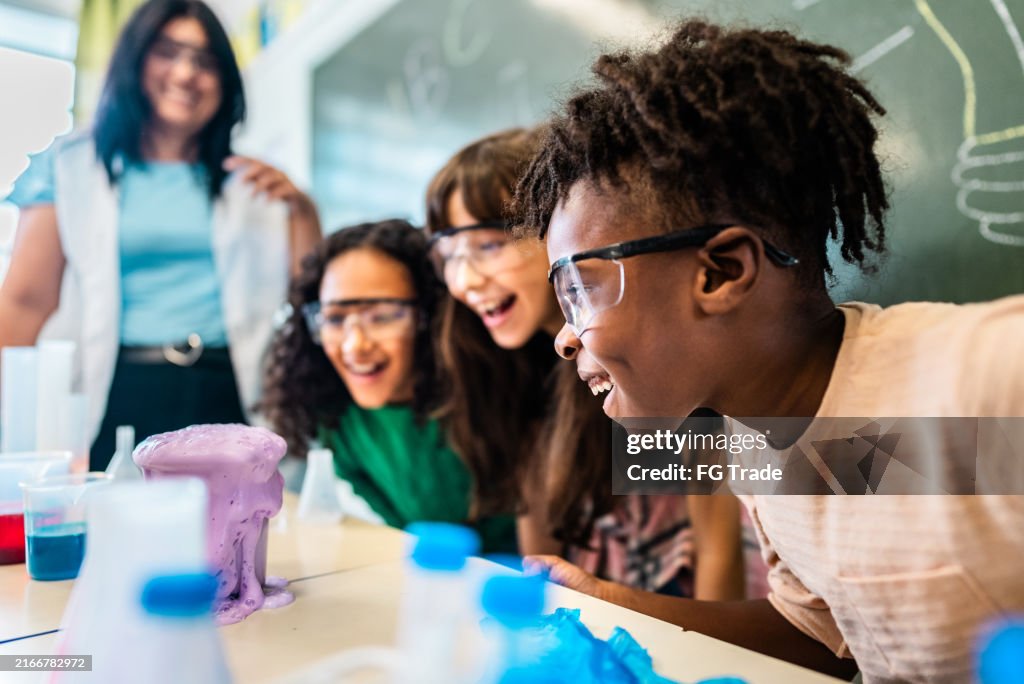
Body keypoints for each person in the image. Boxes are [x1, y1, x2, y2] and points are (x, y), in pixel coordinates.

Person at [514, 19, 1024, 682]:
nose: (562, 335)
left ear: (721, 273)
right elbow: (822, 632)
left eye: (580, 288)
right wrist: (610, 601)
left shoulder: (982, 378)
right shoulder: (758, 438)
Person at [426, 127, 745, 599]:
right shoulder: (506, 365)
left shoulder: (651, 346)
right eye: (448, 255)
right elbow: (540, 551)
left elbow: (722, 553)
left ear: (560, 229)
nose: (465, 280)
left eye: (489, 245)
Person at [0, 0, 321, 468]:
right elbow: (24, 304)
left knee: (233, 535)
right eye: (167, 52)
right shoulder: (71, 168)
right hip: (116, 390)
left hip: (226, 391)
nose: (186, 73)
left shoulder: (254, 182)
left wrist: (303, 210)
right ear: (133, 61)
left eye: (205, 61)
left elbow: (310, 300)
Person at [261, 220, 515, 553]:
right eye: (335, 319)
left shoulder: (495, 392)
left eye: (381, 316)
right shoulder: (335, 413)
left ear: (428, 316)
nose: (354, 346)